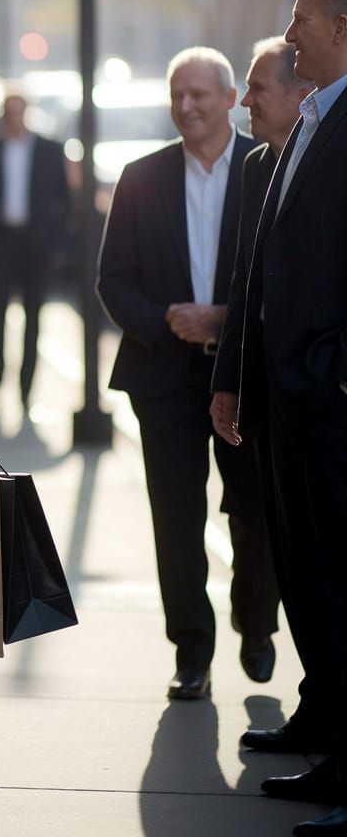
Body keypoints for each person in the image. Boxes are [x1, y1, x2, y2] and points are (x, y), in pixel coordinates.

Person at [97, 46, 280, 701]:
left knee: (256, 514)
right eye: (177, 94)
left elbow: (283, 280)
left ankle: (256, 623)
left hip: (244, 376)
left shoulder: (266, 173)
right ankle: (191, 653)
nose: (187, 106)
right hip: (162, 379)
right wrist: (165, 319)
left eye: (200, 94)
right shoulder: (140, 177)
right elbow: (111, 280)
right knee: (175, 521)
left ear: (230, 99)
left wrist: (224, 320)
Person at [211, 0, 347, 837]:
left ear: (340, 26)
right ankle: (331, 737)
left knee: (339, 575)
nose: (289, 32)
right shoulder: (308, 125)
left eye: (301, 18)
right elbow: (262, 268)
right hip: (288, 400)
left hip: (329, 396)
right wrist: (241, 376)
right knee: (308, 572)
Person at [213, 37, 316, 749]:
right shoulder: (256, 166)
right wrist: (229, 382)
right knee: (278, 538)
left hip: (317, 388)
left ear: (297, 94)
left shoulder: (328, 150)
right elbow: (245, 282)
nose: (245, 101)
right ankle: (317, 707)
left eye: (256, 88)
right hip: (265, 394)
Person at [0, 90, 69, 407]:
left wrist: (57, 240)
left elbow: (62, 198)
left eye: (20, 111)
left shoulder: (49, 150)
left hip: (36, 241)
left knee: (34, 312)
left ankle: (27, 382)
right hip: (1, 239)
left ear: (27, 113)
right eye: (9, 112)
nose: (15, 118)